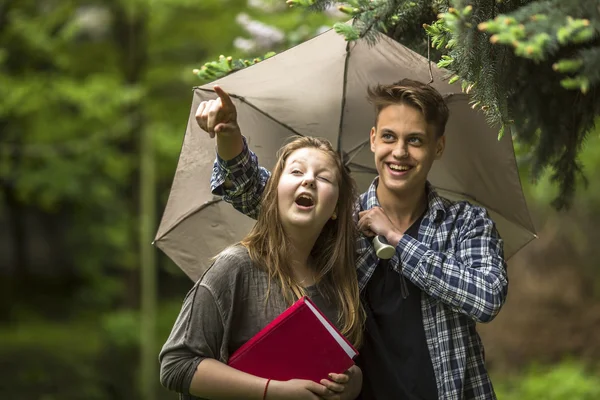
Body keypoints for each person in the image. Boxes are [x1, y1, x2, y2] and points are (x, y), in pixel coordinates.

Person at [201, 80, 509, 400]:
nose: (400, 152)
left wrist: (396, 239)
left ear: (438, 146)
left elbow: (486, 298)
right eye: (389, 136)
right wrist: (228, 134)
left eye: (415, 140)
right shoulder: (339, 219)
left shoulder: (466, 223)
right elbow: (259, 192)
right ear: (374, 139)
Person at [159, 105, 365, 400]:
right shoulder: (235, 268)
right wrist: (273, 391)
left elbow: (348, 367)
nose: (308, 180)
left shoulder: (340, 285)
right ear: (273, 192)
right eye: (296, 171)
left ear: (335, 210)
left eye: (324, 178)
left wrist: (353, 381)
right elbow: (176, 365)